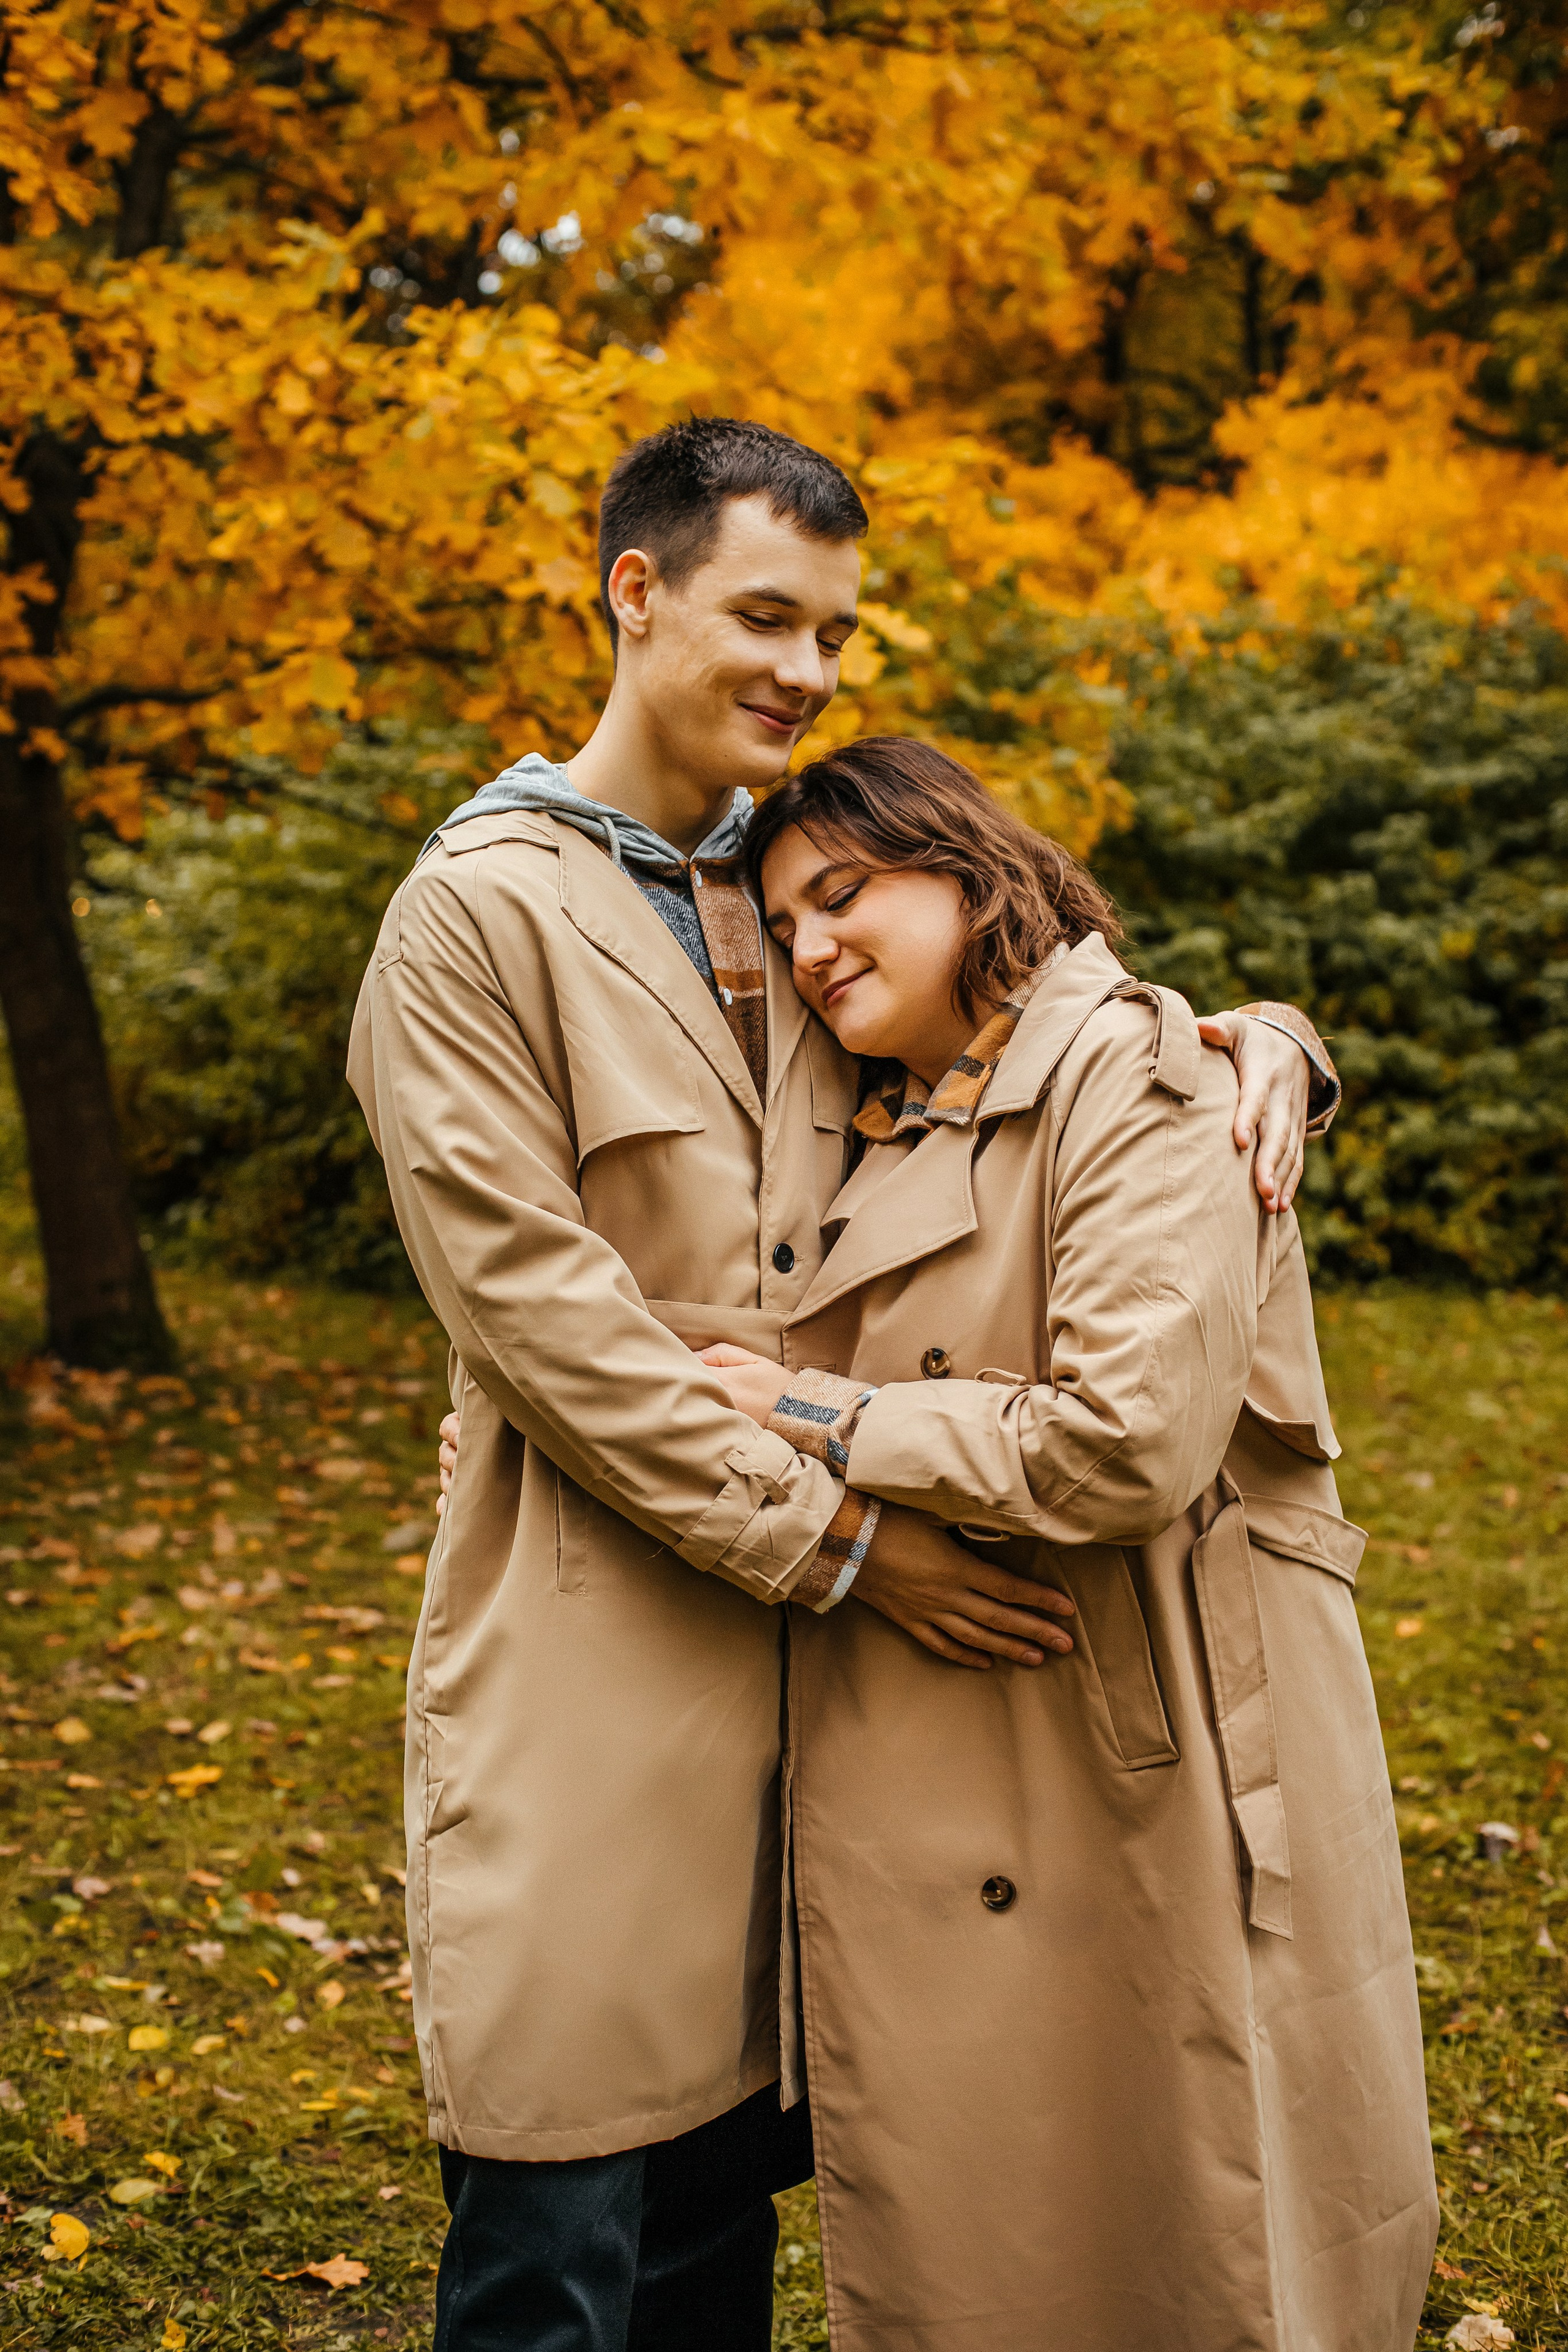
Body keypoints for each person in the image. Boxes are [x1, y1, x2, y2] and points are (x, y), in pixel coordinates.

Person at [353, 415, 1335, 2352]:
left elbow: (1023, 1048)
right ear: (635, 595)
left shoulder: (791, 891)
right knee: (562, 2253)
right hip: (602, 1675)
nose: (805, 674)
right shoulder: (474, 919)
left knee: (723, 2252)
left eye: (833, 634)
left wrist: (1256, 1041)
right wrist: (847, 1546)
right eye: (767, 617)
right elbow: (551, 1331)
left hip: (843, 1743)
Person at [684, 737, 1436, 2351]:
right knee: (1011, 2208)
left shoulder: (1147, 1074)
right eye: (787, 924)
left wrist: (812, 1419)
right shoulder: (886, 1103)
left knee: (1185, 2200)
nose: (812, 950)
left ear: (965, 873)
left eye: (844, 895)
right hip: (978, 1725)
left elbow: (1121, 1446)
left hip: (1141, 1724)